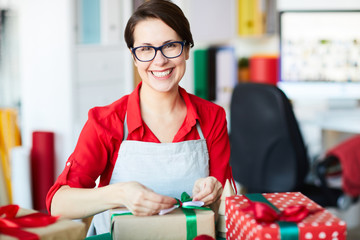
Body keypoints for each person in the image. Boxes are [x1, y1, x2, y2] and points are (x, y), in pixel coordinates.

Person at [46, 0, 234, 235]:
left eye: (171, 46)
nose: (159, 60)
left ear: (186, 49)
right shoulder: (105, 122)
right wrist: (120, 194)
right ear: (134, 57)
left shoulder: (212, 117)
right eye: (145, 49)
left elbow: (226, 203)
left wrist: (214, 190)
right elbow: (58, 203)